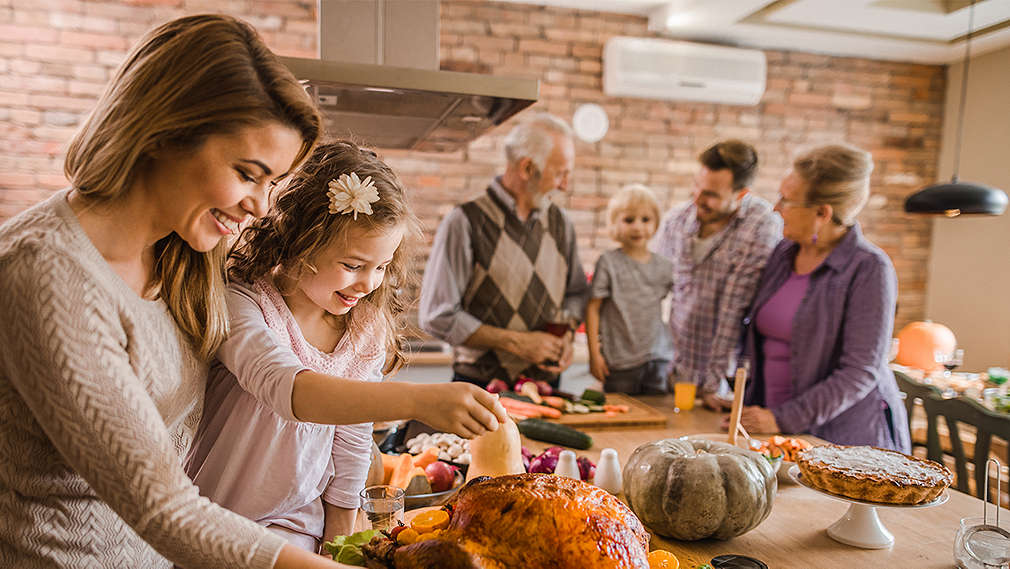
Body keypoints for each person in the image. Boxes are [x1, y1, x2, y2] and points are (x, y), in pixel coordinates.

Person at [0, 14, 366, 569]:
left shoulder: (180, 255)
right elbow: (163, 510)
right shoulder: (46, 273)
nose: (261, 206)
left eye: (272, 183)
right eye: (248, 174)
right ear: (165, 132)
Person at [185, 141, 507, 552]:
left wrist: (338, 544)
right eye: (353, 265)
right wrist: (416, 401)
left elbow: (352, 440)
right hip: (217, 528)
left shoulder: (362, 329)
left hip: (299, 530)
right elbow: (288, 390)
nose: (368, 283)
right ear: (300, 242)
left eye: (382, 266)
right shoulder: (244, 306)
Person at [739, 143, 910, 453]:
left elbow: (860, 372)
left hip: (842, 441)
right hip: (776, 431)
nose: (776, 208)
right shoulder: (783, 254)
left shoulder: (869, 268)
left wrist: (783, 418)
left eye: (787, 200)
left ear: (822, 213)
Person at [418, 113, 589, 388]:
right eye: (560, 174)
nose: (565, 185)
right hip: (479, 391)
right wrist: (518, 343)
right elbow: (438, 316)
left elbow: (577, 293)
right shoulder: (465, 222)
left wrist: (566, 336)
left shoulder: (561, 224)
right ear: (526, 169)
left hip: (547, 390)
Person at [652, 139, 781, 411]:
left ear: (741, 194)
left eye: (711, 194)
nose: (698, 198)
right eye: (697, 186)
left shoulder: (761, 224)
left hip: (725, 382)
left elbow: (735, 307)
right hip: (673, 372)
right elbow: (653, 291)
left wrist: (715, 381)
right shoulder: (677, 220)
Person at [585, 184, 674, 395]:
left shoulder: (665, 266)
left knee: (658, 415)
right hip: (619, 361)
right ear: (615, 224)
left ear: (655, 224)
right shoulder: (608, 263)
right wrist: (594, 354)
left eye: (645, 220)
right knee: (620, 413)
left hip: (657, 357)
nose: (637, 227)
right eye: (628, 220)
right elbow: (592, 308)